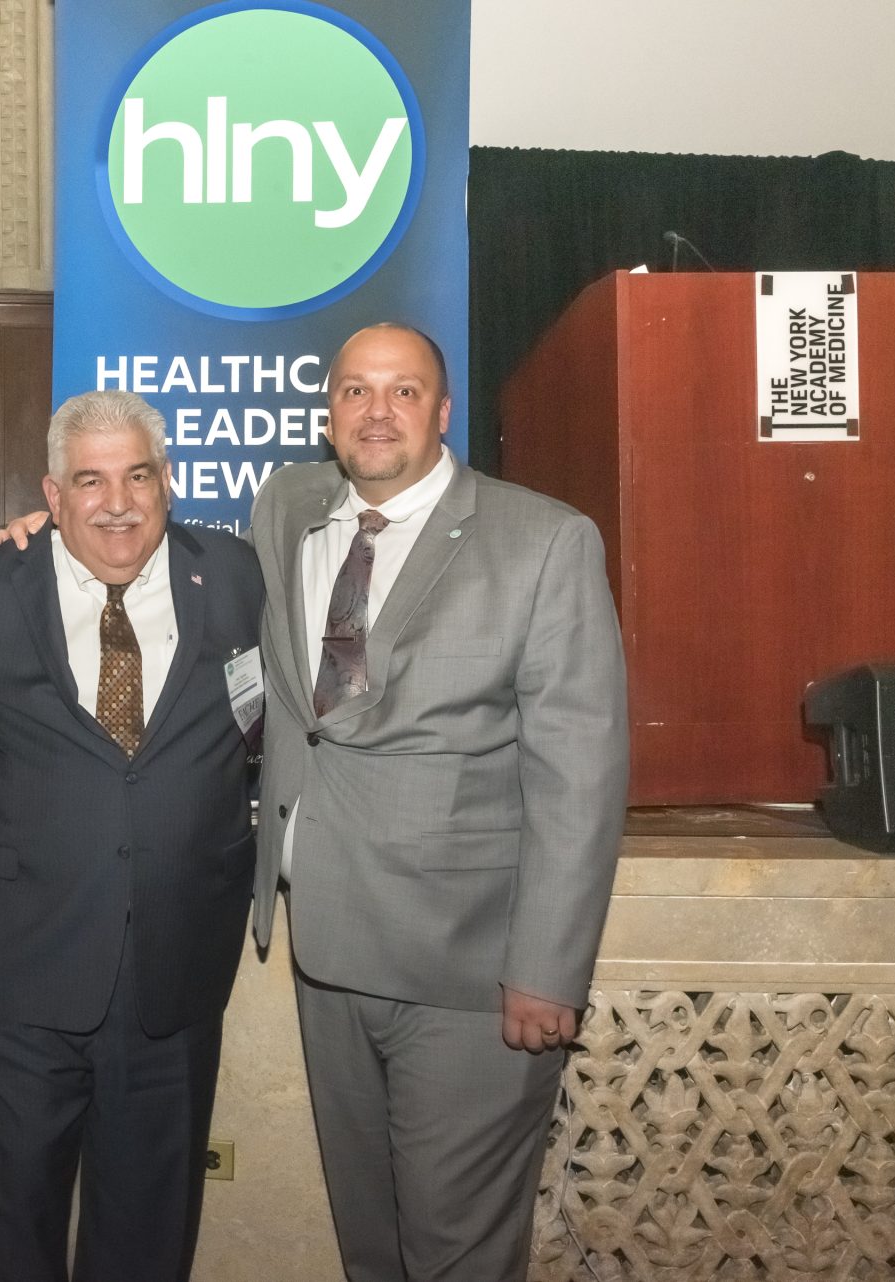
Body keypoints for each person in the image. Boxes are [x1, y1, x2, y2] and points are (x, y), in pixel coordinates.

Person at [253, 323, 628, 1281]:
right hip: (326, 955)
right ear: (328, 412)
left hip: (468, 977)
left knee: (455, 1254)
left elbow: (579, 774)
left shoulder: (543, 540)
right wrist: (40, 538)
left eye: (404, 391)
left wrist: (547, 969)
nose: (376, 412)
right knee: (371, 1247)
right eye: (354, 390)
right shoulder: (287, 506)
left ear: (445, 410)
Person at [0, 389, 265, 1282]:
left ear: (169, 481)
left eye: (137, 476)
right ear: (52, 494)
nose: (116, 503)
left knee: (150, 1231)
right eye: (89, 481)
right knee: (18, 1220)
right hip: (26, 971)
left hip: (175, 968)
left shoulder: (235, 572)